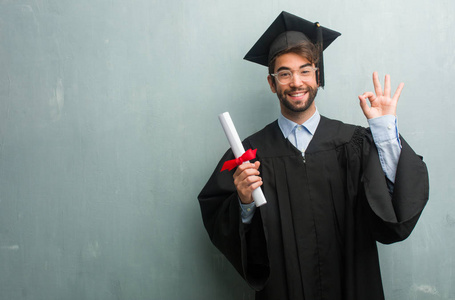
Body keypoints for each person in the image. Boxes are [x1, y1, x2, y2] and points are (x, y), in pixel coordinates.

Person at [198, 11, 429, 300]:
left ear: (317, 77)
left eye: (305, 70)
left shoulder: (354, 143)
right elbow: (222, 222)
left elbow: (397, 204)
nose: (296, 82)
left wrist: (384, 130)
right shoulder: (250, 155)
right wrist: (244, 203)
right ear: (272, 84)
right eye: (284, 73)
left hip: (352, 286)